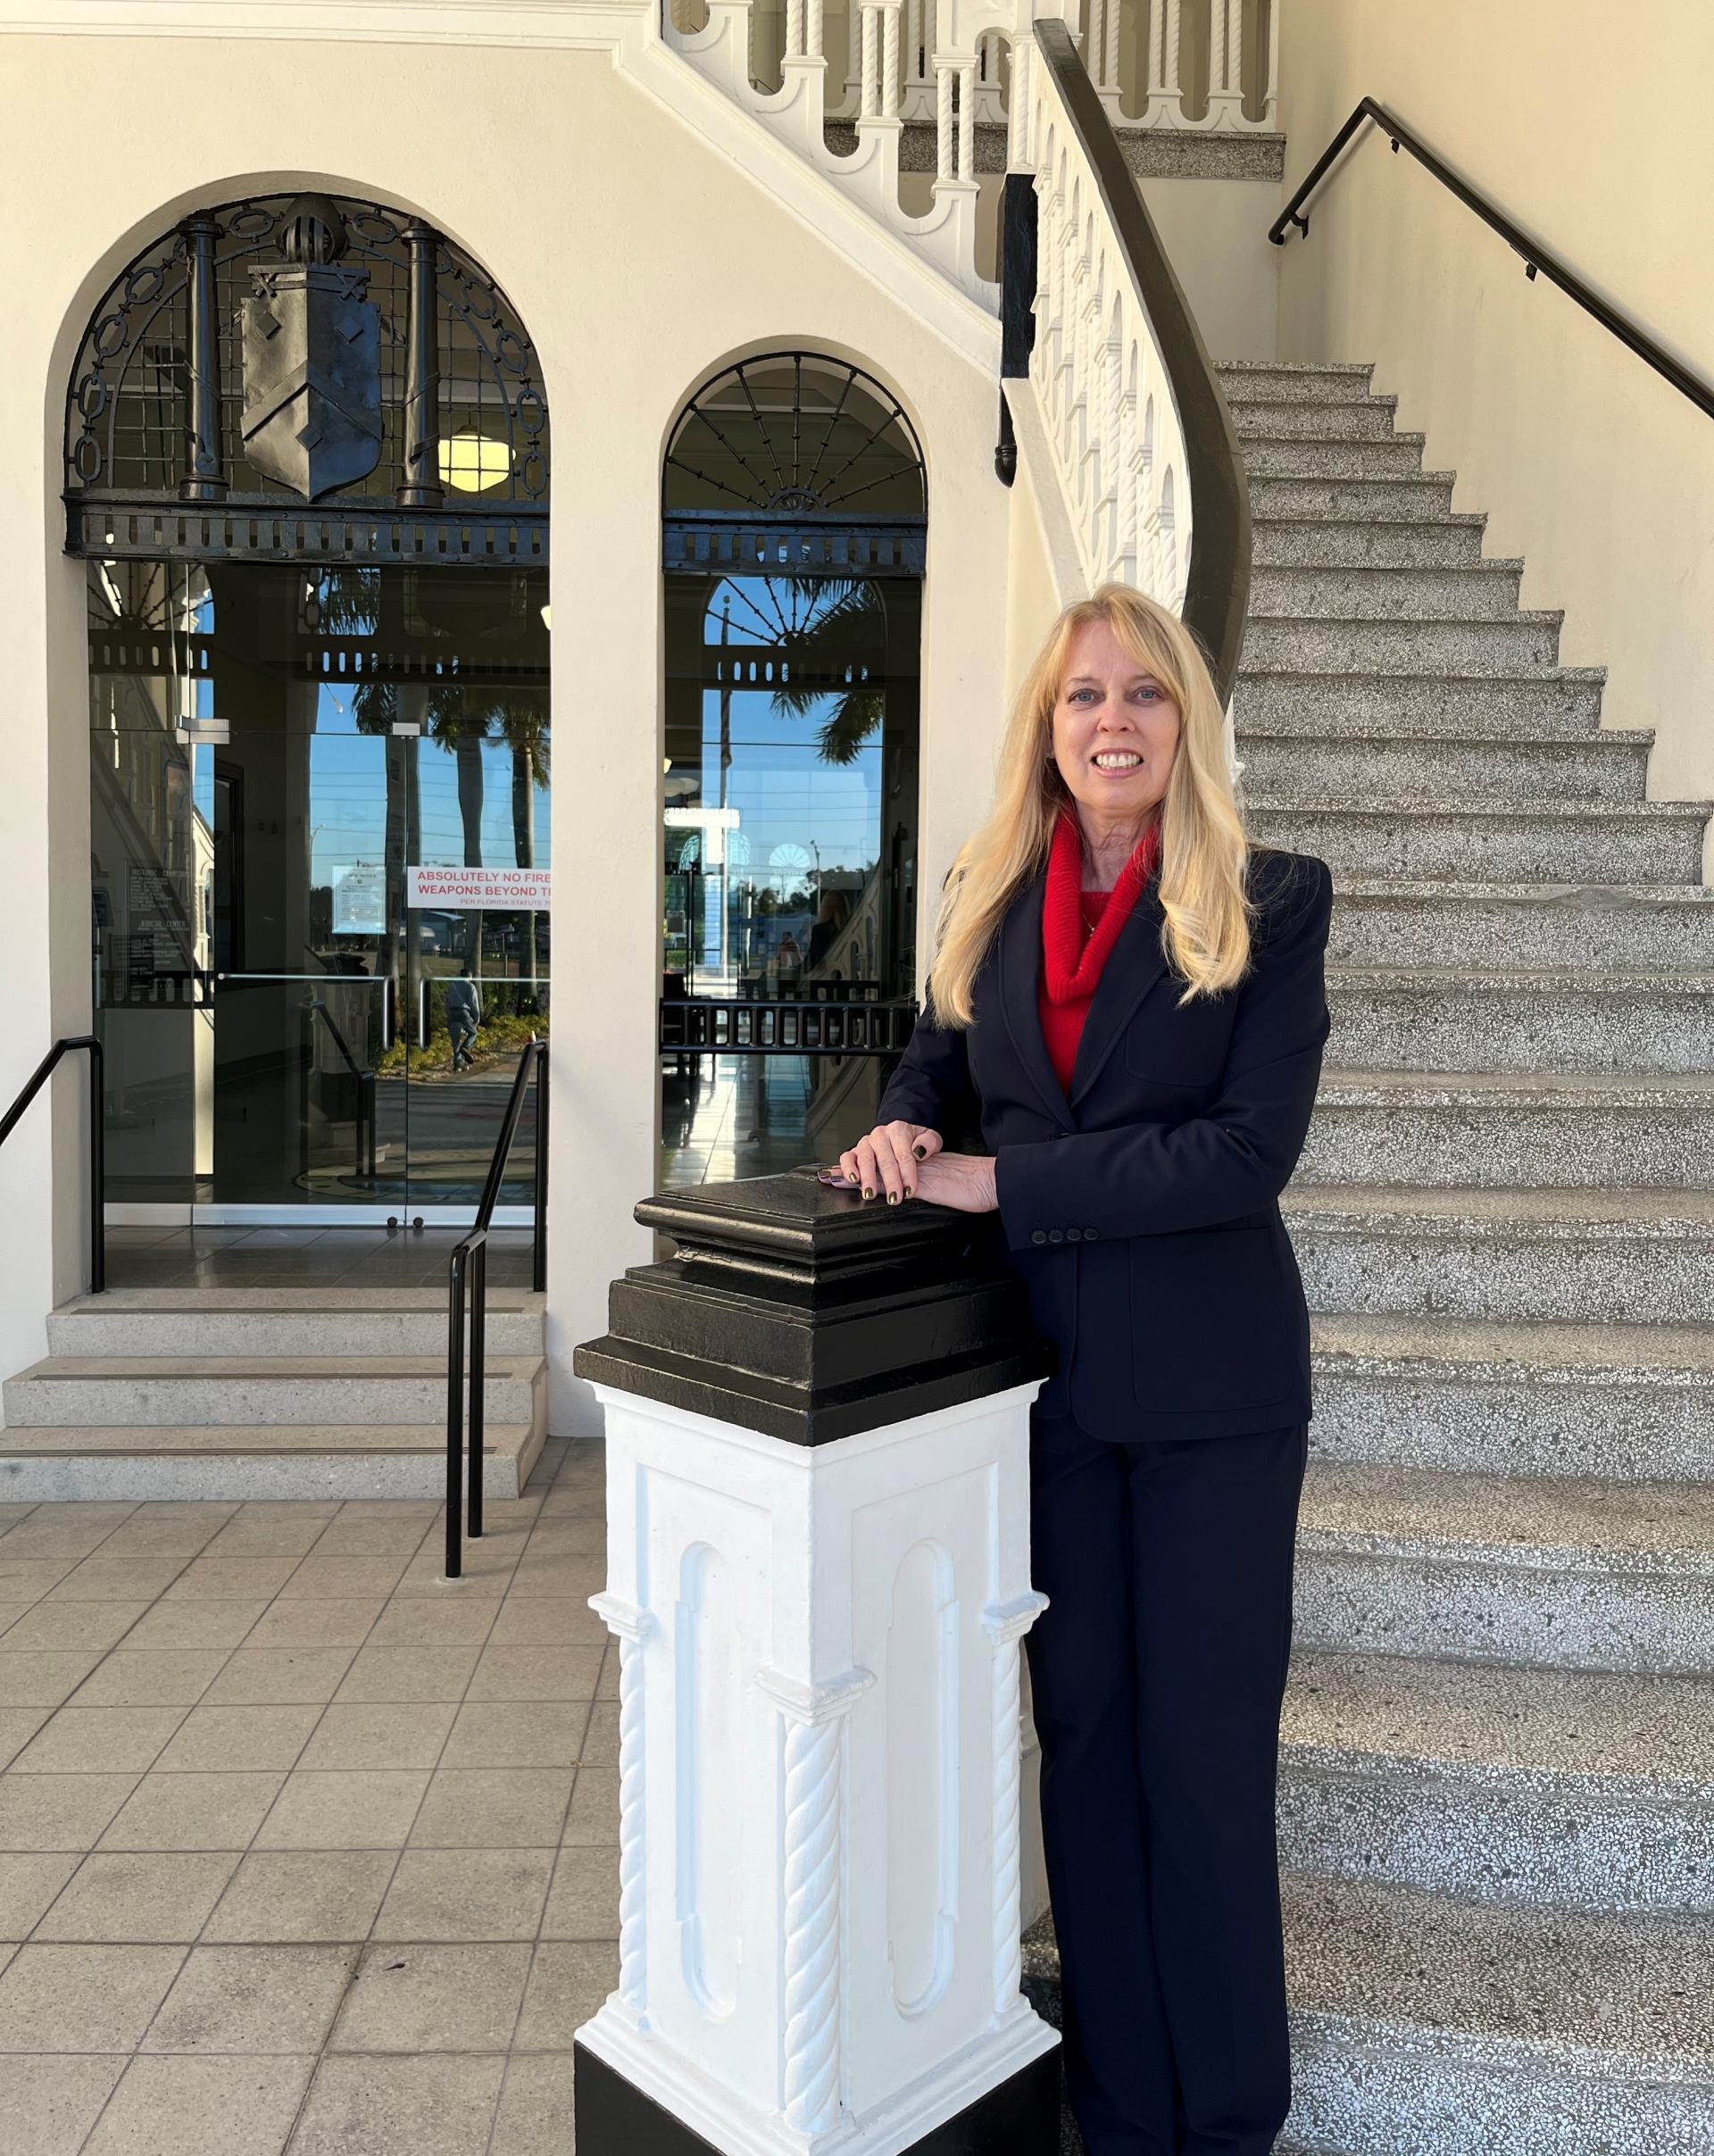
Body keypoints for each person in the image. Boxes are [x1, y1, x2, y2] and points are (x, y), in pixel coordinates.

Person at [831, 581, 1333, 2156]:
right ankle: (1119, 2110)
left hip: (1213, 1402)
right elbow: (938, 1058)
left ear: (1187, 720)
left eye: (1142, 693)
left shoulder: (1270, 895)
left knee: (1199, 1768)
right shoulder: (994, 887)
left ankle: (1230, 2116)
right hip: (1042, 1395)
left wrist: (1010, 1184)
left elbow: (1242, 1157)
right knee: (1088, 1753)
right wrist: (908, 1123)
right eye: (1081, 697)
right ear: (1046, 732)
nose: (1111, 720)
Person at [444, 962, 481, 1071]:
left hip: (452, 1012)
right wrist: (477, 1017)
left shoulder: (452, 985)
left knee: (455, 1040)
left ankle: (458, 1065)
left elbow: (447, 1000)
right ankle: (465, 1048)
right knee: (473, 1032)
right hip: (463, 1012)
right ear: (470, 976)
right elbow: (473, 1003)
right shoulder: (470, 986)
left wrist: (447, 1015)